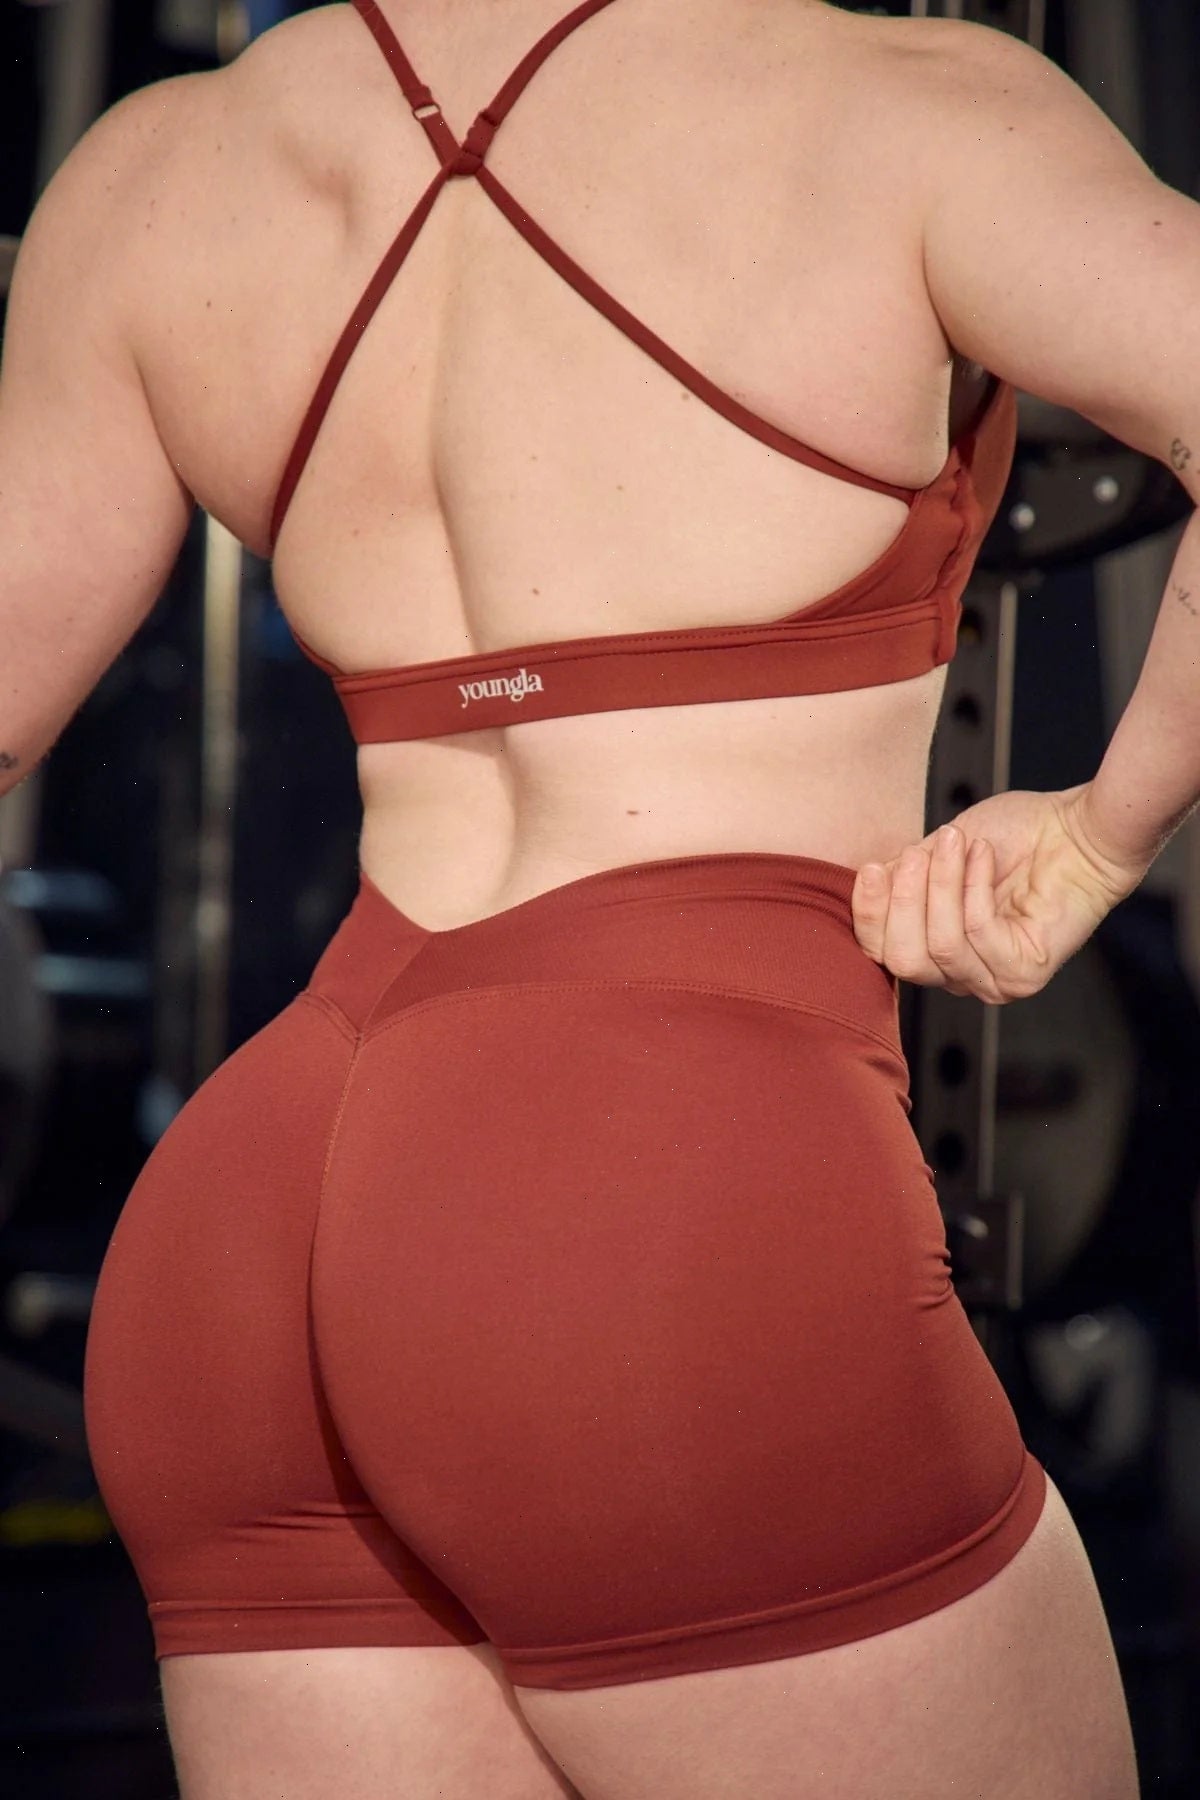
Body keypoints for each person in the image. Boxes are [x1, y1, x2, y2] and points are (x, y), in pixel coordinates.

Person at [1, 0, 1195, 1793]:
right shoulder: (898, 106)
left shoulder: (159, 177)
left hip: (251, 1223)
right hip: (649, 1194)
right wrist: (1104, 835)